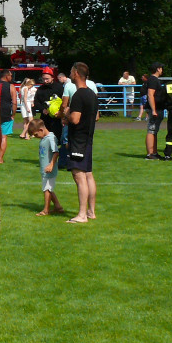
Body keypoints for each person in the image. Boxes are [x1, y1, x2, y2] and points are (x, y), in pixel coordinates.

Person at [62, 63, 97, 223]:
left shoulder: (78, 95)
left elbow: (75, 119)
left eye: (71, 71)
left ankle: (82, 215)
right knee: (88, 174)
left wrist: (66, 114)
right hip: (88, 139)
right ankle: (91, 211)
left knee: (79, 175)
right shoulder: (91, 94)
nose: (70, 74)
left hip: (79, 141)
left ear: (76, 73)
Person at [30, 119, 63, 216]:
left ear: (41, 130)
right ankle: (58, 207)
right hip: (45, 169)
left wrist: (51, 165)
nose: (36, 137)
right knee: (48, 188)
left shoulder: (51, 138)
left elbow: (56, 152)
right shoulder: (44, 138)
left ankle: (46, 210)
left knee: (47, 189)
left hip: (49, 169)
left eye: (36, 135)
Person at [0, 69, 17, 163]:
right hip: (5, 114)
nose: (11, 77)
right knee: (3, 136)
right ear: (7, 76)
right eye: (10, 76)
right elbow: (14, 102)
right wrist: (13, 114)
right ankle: (0, 158)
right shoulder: (11, 87)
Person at [144, 62, 165, 159]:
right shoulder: (153, 80)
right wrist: (153, 109)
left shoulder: (154, 79)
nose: (162, 70)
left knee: (154, 131)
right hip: (154, 109)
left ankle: (154, 152)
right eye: (161, 68)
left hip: (156, 108)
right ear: (158, 69)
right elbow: (150, 94)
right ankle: (150, 153)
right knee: (151, 130)